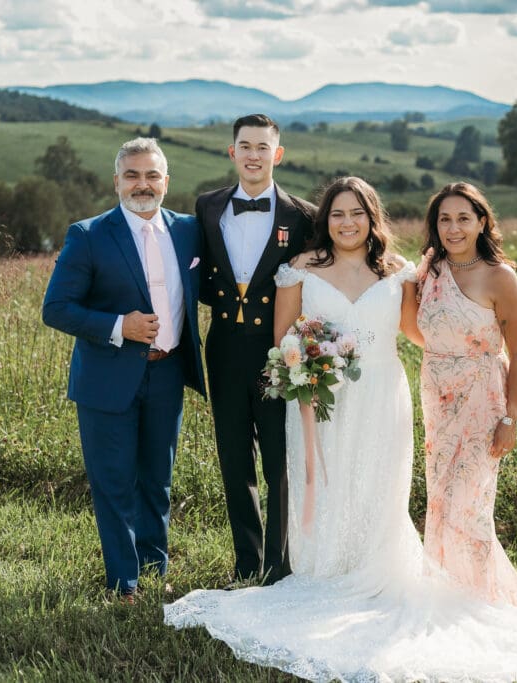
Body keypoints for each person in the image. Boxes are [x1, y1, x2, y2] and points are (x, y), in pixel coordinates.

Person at [165, 177, 517, 682]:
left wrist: (475, 367)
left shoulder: (399, 273)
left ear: (371, 217)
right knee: (326, 486)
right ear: (324, 220)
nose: (347, 222)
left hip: (382, 394)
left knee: (380, 487)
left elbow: (419, 332)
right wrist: (307, 367)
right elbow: (284, 339)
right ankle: (321, 568)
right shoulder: (299, 271)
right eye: (337, 214)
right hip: (321, 398)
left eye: (357, 212)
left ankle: (386, 570)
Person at [42, 138, 205, 602]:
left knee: (158, 481)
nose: (142, 184)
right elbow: (56, 309)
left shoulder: (189, 231)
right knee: (114, 482)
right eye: (132, 175)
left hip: (168, 373)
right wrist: (119, 325)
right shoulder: (89, 235)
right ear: (116, 181)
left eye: (152, 175)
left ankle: (154, 572)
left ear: (166, 182)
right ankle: (123, 584)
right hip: (106, 379)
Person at [197, 114, 314, 584]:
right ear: (232, 152)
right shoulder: (207, 207)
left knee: (279, 461)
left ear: (277, 155)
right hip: (224, 347)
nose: (253, 154)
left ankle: (278, 566)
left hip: (277, 351)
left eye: (262, 147)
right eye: (244, 145)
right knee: (233, 459)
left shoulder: (301, 216)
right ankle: (247, 563)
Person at [417, 182, 517, 605]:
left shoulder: (501, 277)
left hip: (484, 401)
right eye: (444, 219)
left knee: (470, 503)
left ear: (482, 222)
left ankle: (478, 598)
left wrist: (510, 417)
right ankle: (441, 589)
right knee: (441, 498)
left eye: (464, 218)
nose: (453, 228)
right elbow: (422, 330)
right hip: (437, 398)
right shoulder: (429, 269)